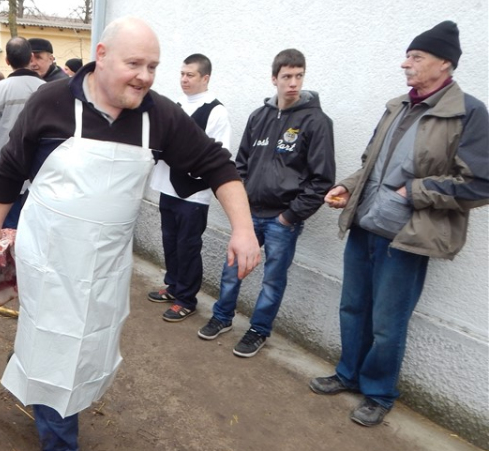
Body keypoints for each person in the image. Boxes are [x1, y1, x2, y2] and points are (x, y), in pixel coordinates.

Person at [0, 17, 261, 451]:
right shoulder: (51, 102)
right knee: (51, 340)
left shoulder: (159, 114)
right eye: (136, 63)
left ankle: (38, 385)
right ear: (102, 55)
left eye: (153, 66)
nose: (145, 77)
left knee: (83, 349)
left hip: (105, 264)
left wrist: (243, 229)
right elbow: (11, 169)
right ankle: (58, 438)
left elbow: (217, 165)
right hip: (49, 255)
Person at [309, 21, 489, 427]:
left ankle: (378, 392)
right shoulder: (396, 106)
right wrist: (346, 188)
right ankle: (347, 374)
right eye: (408, 55)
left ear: (445, 64)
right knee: (353, 306)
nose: (405, 63)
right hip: (365, 223)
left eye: (416, 57)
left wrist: (415, 191)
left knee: (388, 323)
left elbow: (479, 183)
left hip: (408, 238)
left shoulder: (468, 112)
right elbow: (370, 166)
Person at [197, 49, 335, 357]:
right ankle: (222, 318)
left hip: (281, 220)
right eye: (287, 76)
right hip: (249, 215)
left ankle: (258, 331)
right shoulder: (259, 117)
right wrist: (241, 206)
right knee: (233, 268)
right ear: (274, 78)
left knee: (272, 280)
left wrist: (289, 216)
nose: (293, 83)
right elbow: (241, 164)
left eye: (299, 76)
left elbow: (321, 180)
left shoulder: (316, 122)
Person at [147, 53, 231, 321]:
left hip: (194, 193)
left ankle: (187, 299)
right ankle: (173, 286)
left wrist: (186, 164)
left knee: (188, 246)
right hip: (167, 187)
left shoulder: (216, 111)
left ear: (205, 78)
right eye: (182, 74)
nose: (184, 79)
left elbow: (219, 154)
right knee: (169, 242)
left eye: (190, 74)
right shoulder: (176, 106)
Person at [0, 37, 44, 229]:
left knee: (8, 230)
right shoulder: (46, 89)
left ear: (7, 60)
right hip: (39, 171)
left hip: (6, 169)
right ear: (31, 58)